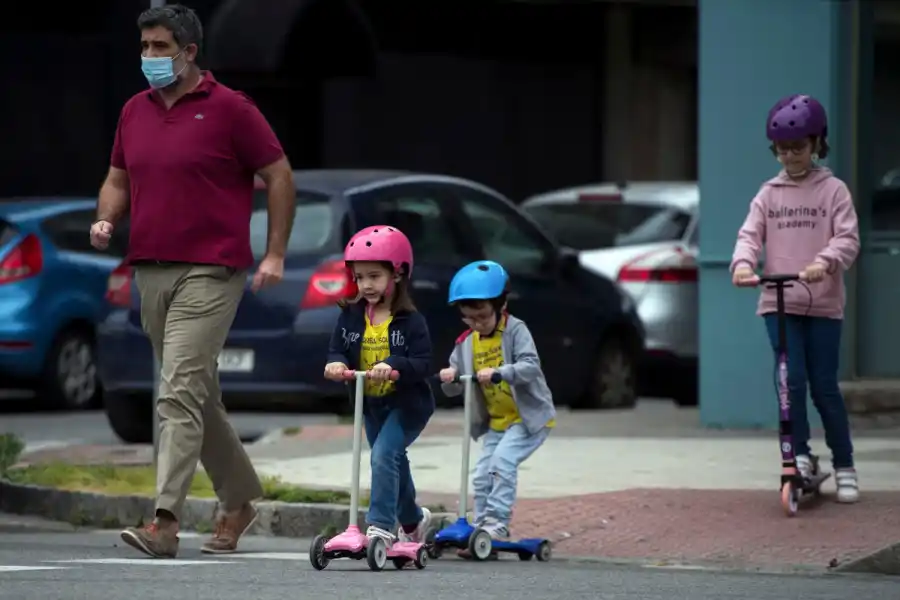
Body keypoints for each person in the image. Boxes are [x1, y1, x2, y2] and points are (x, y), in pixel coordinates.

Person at [89, 5, 296, 557]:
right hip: (150, 269)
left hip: (212, 268)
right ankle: (239, 502)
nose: (149, 56)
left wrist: (275, 253)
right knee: (194, 394)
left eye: (160, 46)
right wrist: (107, 217)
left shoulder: (230, 109)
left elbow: (278, 173)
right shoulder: (134, 110)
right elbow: (117, 178)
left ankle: (164, 522)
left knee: (176, 390)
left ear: (188, 51)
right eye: (144, 47)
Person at [731, 94, 860, 503]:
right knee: (791, 382)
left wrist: (825, 260)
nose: (790, 156)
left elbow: (848, 238)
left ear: (817, 142)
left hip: (822, 304)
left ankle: (844, 464)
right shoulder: (768, 194)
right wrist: (742, 264)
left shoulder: (834, 191)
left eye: (798, 148)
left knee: (823, 386)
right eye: (782, 149)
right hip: (778, 302)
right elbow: (749, 235)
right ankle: (798, 457)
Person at [323, 225, 436, 548]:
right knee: (391, 460)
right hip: (370, 403)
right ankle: (413, 521)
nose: (366, 285)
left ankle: (380, 527)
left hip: (406, 405)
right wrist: (336, 363)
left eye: (374, 276)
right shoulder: (351, 316)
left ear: (397, 273)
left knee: (383, 456)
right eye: (360, 277)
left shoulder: (411, 321)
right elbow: (337, 349)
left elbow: (423, 363)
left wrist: (394, 365)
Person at [439, 260, 556, 554]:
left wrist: (501, 372)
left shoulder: (516, 331)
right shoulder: (466, 343)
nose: (477, 324)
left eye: (482, 316)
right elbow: (454, 386)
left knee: (502, 463)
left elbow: (531, 366)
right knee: (482, 474)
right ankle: (481, 526)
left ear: (501, 305)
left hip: (527, 419)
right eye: (469, 318)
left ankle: (498, 523)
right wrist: (450, 377)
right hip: (496, 422)